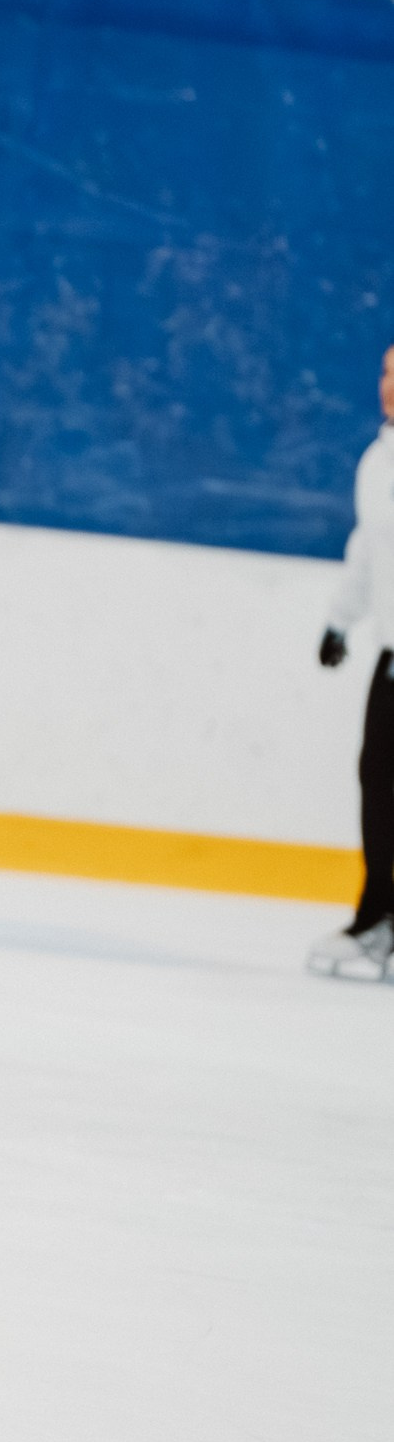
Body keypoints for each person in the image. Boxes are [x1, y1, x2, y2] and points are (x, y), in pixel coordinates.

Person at [309, 343, 394, 980]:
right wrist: (342, 618)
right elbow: (370, 544)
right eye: (387, 370)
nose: (388, 384)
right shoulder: (380, 458)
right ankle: (377, 918)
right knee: (378, 782)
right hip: (391, 653)